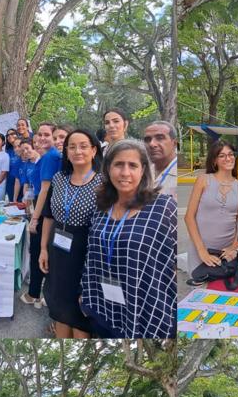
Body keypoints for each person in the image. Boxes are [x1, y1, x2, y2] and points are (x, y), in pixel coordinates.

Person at [81, 139, 178, 339]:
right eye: (118, 165)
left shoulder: (163, 208)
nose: (125, 173)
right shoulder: (101, 208)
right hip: (104, 308)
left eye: (132, 165)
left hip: (146, 309)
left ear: (143, 170)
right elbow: (92, 257)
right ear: (108, 169)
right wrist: (87, 295)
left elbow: (174, 263)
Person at [40, 128, 101, 339]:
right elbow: (48, 215)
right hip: (57, 252)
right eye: (72, 147)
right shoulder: (59, 178)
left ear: (93, 150)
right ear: (66, 151)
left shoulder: (103, 183)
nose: (77, 151)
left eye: (83, 146)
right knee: (59, 309)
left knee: (79, 314)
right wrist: (42, 249)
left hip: (85, 255)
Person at [185, 140, 238, 279]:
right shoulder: (203, 180)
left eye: (231, 154)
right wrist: (201, 251)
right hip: (201, 249)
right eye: (222, 155)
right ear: (214, 161)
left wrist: (234, 247)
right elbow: (189, 217)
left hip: (226, 253)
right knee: (198, 290)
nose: (228, 158)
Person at [24, 122, 61, 307]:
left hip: (45, 208)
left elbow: (45, 190)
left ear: (54, 137)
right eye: (40, 134)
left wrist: (35, 219)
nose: (42, 138)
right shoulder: (48, 156)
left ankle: (34, 294)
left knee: (38, 251)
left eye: (47, 134)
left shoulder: (50, 158)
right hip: (43, 204)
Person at [144, 120, 180, 197]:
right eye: (147, 139)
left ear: (174, 143)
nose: (152, 144)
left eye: (160, 138)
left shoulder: (178, 174)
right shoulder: (142, 172)